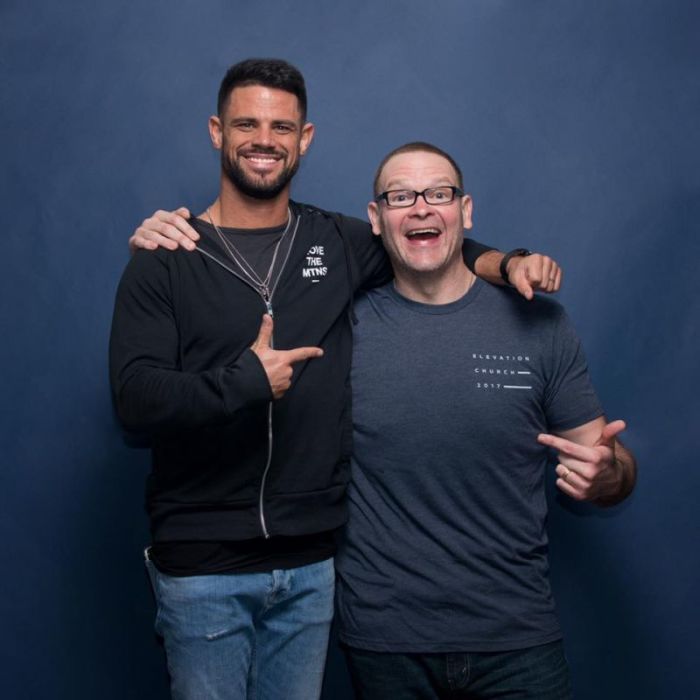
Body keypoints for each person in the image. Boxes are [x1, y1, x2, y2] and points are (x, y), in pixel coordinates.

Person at [115, 58, 561, 700]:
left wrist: (510, 261)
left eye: (281, 126)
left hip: (309, 568)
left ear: (306, 138)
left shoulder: (339, 240)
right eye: (246, 123)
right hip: (202, 569)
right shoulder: (168, 255)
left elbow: (431, 239)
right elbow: (134, 401)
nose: (264, 140)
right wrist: (244, 381)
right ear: (217, 131)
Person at [333, 142, 637, 699]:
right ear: (376, 220)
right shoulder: (342, 328)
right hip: (386, 642)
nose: (421, 207)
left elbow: (612, 468)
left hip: (517, 639)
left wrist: (607, 473)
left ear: (465, 212)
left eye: (439, 194)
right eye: (401, 196)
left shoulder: (541, 324)